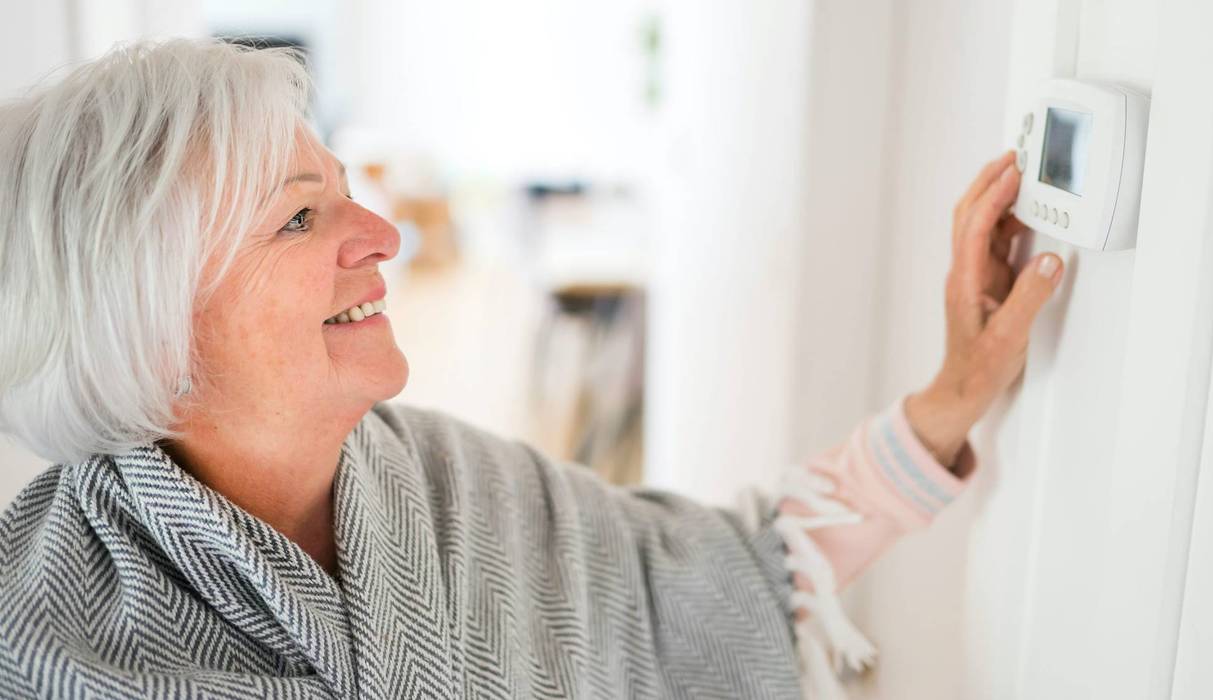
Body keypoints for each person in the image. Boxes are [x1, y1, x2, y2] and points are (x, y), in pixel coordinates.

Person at [0, 39, 1063, 699]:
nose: (384, 235)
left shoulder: (458, 491)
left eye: (348, 188)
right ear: (149, 338)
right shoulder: (39, 646)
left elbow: (732, 574)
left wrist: (953, 394)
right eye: (301, 215)